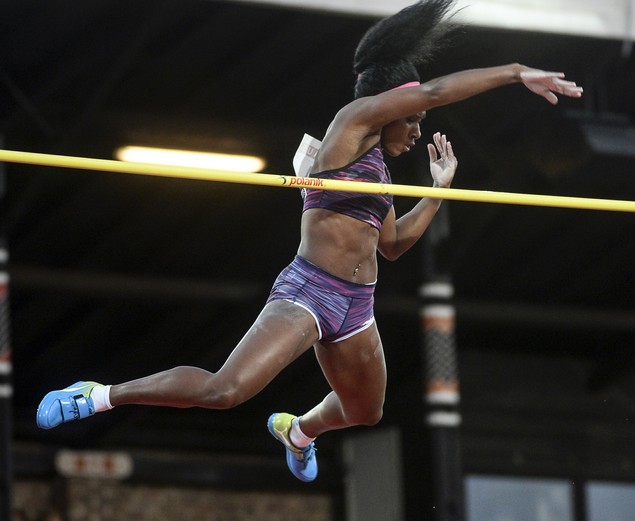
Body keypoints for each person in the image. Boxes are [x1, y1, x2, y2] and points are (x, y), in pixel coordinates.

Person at [36, 0, 582, 482]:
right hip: (310, 292)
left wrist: (437, 193)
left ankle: (297, 431)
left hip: (358, 307)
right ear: (391, 104)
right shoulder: (351, 126)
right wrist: (515, 72)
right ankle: (99, 395)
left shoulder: (379, 172)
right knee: (225, 391)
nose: (417, 131)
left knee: (365, 412)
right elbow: (436, 91)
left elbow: (390, 246)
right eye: (412, 119)